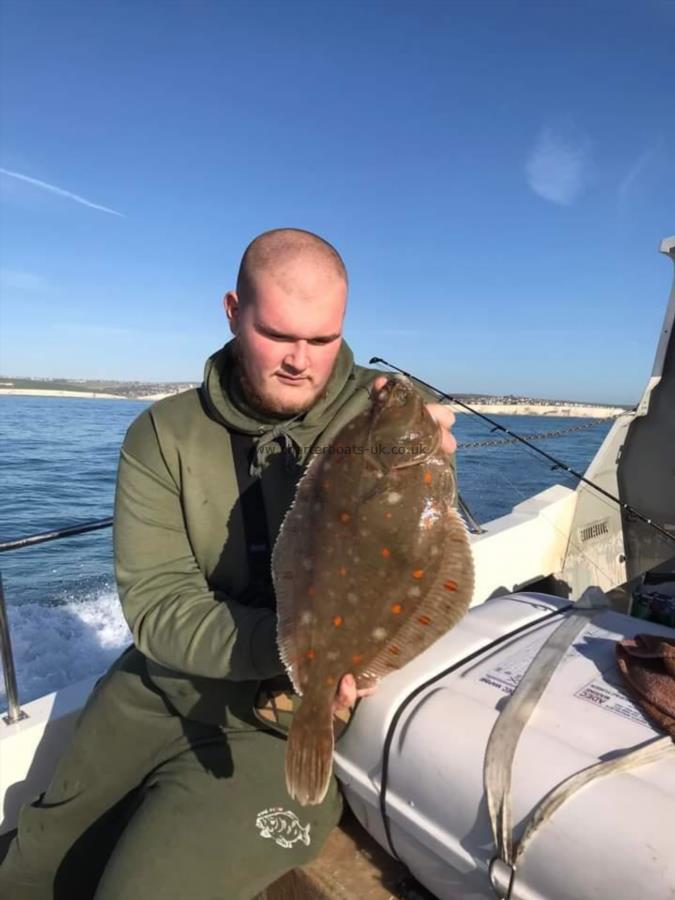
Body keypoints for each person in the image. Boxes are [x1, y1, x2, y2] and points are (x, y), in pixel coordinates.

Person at [0, 228, 456, 900]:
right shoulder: (162, 435)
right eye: (278, 334)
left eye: (323, 339)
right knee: (28, 873)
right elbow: (159, 606)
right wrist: (300, 645)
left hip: (288, 714)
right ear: (231, 312)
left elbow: (420, 557)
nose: (302, 360)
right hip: (159, 689)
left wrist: (433, 479)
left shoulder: (378, 410)